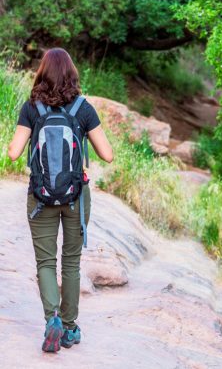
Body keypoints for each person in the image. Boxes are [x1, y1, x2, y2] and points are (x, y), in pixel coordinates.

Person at [7, 47, 113, 352]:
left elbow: (13, 152)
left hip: (40, 197)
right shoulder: (83, 108)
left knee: (45, 262)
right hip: (75, 196)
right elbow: (107, 154)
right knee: (71, 262)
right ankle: (68, 329)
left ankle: (51, 318)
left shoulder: (32, 108)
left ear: (41, 72)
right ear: (71, 73)